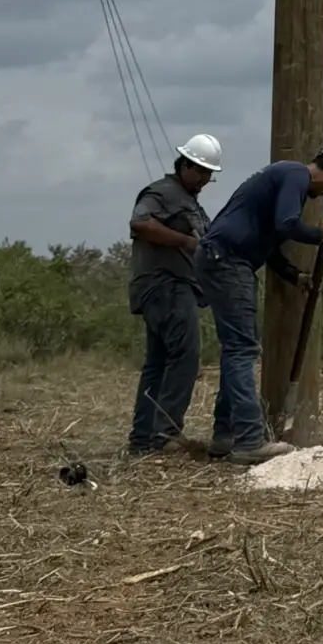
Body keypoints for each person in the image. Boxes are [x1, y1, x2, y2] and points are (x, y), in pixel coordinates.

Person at [192, 142, 323, 465]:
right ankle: (251, 440)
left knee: (234, 350)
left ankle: (225, 436)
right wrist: (319, 234)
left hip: (220, 257)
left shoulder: (283, 177)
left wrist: (295, 276)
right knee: (241, 350)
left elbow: (267, 242)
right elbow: (286, 224)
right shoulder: (295, 174)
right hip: (228, 260)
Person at [126, 134, 223, 457]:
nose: (207, 179)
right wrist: (184, 242)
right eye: (202, 171)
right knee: (185, 357)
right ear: (184, 165)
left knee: (158, 363)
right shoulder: (162, 192)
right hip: (165, 286)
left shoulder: (187, 199)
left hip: (166, 287)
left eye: (210, 173)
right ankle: (164, 435)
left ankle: (143, 440)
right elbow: (140, 222)